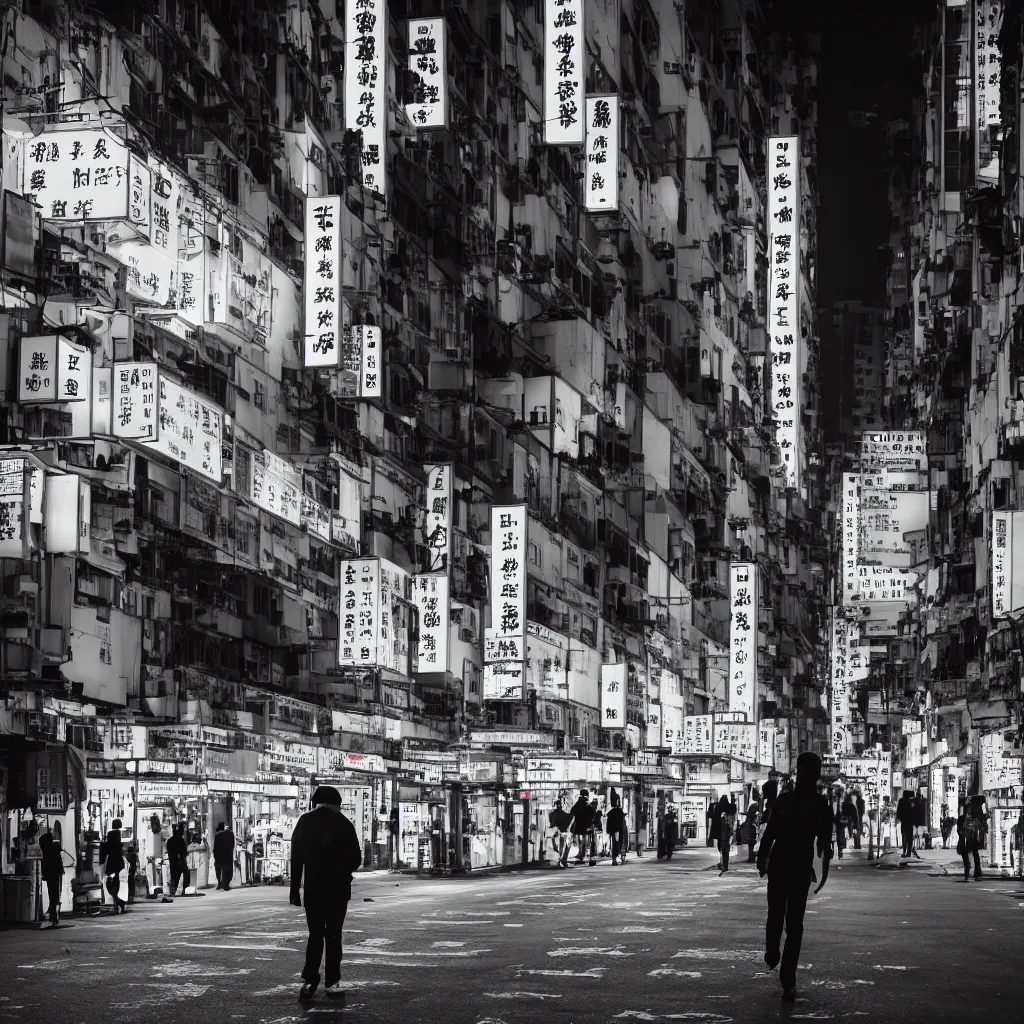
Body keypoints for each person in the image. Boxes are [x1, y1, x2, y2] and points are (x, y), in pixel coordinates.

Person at [757, 751, 834, 1002]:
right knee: (793, 925)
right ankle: (786, 977)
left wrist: (762, 858)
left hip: (784, 866)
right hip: (797, 868)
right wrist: (825, 865)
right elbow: (825, 841)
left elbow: (770, 833)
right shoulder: (818, 803)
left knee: (779, 916)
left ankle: (775, 958)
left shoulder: (788, 799)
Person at [290, 785, 363, 1001]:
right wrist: (341, 870)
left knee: (315, 934)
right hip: (338, 889)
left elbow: (296, 859)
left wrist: (295, 890)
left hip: (313, 889)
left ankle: (310, 978)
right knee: (333, 935)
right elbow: (356, 860)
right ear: (336, 804)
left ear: (316, 803)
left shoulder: (305, 822)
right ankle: (332, 982)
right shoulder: (344, 823)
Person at [957, 797, 986, 881]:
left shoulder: (974, 818)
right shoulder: (961, 819)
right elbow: (959, 830)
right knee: (966, 856)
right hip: (964, 840)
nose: (967, 809)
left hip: (972, 839)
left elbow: (978, 828)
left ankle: (976, 873)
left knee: (975, 855)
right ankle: (967, 871)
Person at [39, 832, 65, 928]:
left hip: (50, 875)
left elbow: (45, 864)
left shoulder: (46, 850)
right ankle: (54, 916)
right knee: (55, 895)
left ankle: (53, 916)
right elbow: (59, 862)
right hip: (55, 874)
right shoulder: (54, 849)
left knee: (52, 895)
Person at [103, 818, 127, 915]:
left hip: (111, 861)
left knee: (113, 881)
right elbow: (118, 846)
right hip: (117, 861)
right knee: (116, 881)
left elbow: (108, 847)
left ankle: (116, 900)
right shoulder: (117, 835)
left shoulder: (110, 834)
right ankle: (118, 901)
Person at [568, 789, 593, 866]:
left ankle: (581, 853)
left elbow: (572, 811)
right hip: (585, 825)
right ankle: (582, 853)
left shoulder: (580, 802)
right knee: (584, 840)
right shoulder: (586, 803)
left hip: (580, 825)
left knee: (581, 840)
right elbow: (592, 812)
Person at [165, 822, 189, 898]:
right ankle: (182, 889)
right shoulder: (180, 840)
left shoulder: (169, 841)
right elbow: (184, 851)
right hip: (180, 861)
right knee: (183, 874)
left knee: (174, 875)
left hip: (172, 861)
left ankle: (174, 889)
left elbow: (168, 851)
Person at [549, 797, 572, 868]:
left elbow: (551, 824)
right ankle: (562, 859)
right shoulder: (563, 814)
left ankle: (559, 859)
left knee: (557, 846)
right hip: (562, 832)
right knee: (565, 845)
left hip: (554, 833)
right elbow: (570, 819)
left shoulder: (551, 814)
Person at [717, 795, 737, 874]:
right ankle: (725, 865)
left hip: (723, 836)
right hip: (726, 836)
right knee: (725, 851)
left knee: (723, 850)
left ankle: (724, 865)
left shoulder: (722, 815)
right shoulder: (729, 815)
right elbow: (730, 827)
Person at [214, 822, 236, 890]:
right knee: (227, 870)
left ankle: (219, 883)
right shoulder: (231, 834)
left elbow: (215, 846)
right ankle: (226, 884)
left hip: (219, 856)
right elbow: (232, 845)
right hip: (227, 855)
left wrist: (215, 855)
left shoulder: (217, 835)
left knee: (219, 870)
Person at [606, 792, 627, 865]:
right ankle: (618, 858)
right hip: (618, 830)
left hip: (613, 831)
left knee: (615, 844)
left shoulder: (611, 812)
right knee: (618, 844)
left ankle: (615, 859)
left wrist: (608, 831)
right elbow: (622, 823)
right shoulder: (619, 812)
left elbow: (608, 823)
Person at [896, 791, 915, 858]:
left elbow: (898, 811)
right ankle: (908, 852)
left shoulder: (901, 801)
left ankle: (904, 851)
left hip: (904, 821)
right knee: (909, 837)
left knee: (904, 836)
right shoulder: (911, 801)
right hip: (910, 821)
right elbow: (913, 811)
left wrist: (900, 818)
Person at [589, 799, 602, 865]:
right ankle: (592, 859)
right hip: (592, 829)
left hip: (590, 829)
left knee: (592, 844)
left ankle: (592, 858)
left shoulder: (593, 811)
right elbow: (597, 821)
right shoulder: (594, 812)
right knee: (593, 844)